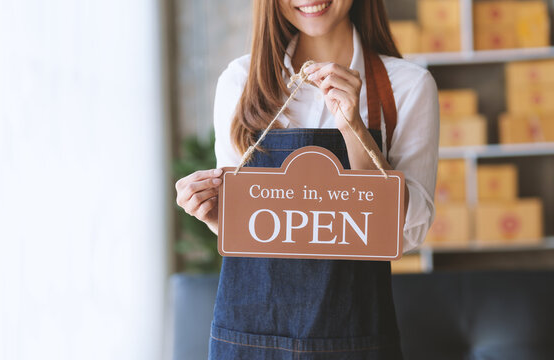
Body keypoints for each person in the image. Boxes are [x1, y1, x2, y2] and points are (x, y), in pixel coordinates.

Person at [175, 0, 439, 358]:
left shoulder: (407, 86)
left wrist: (353, 128)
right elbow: (241, 225)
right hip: (250, 339)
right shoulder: (240, 81)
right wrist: (212, 212)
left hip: (355, 338)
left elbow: (408, 231)